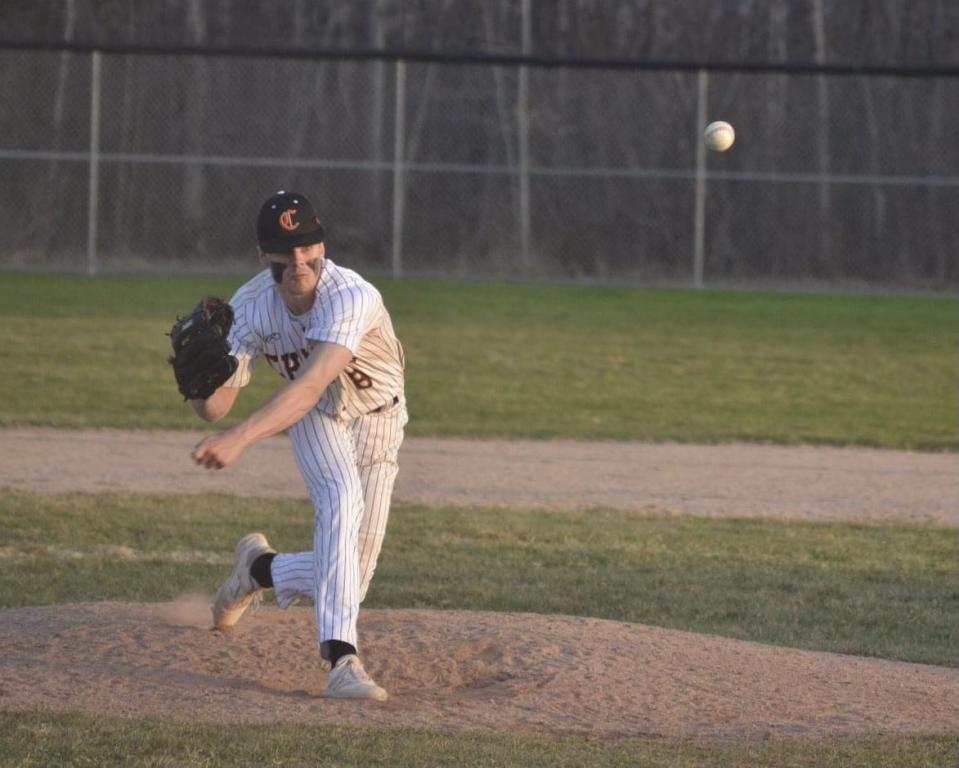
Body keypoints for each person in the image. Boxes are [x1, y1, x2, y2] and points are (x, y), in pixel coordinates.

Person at [190, 190, 407, 701]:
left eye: (308, 250)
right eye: (284, 255)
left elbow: (310, 381)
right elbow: (218, 408)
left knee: (352, 573)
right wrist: (199, 387)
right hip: (314, 416)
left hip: (379, 419)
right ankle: (342, 661)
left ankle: (257, 569)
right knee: (340, 501)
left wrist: (241, 438)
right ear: (263, 256)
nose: (298, 264)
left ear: (322, 247)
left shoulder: (351, 295)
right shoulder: (250, 307)